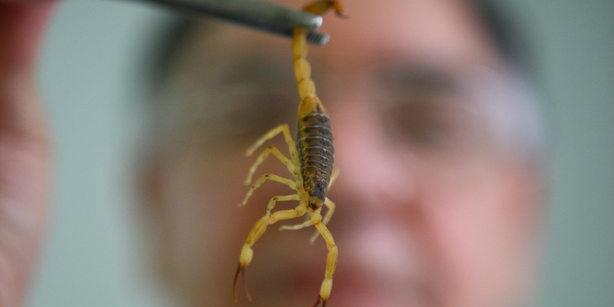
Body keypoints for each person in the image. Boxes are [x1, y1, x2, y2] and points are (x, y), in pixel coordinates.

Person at [0, 0, 544, 307]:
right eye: (248, 111)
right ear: (152, 202)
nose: (358, 180)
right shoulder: (303, 183)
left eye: (431, 125)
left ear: (525, 211)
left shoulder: (316, 196)